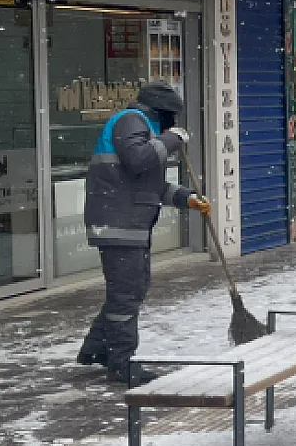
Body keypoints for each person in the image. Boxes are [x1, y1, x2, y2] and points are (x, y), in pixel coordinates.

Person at [75, 82, 209, 385]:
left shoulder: (143, 127)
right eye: (172, 116)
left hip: (128, 223)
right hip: (118, 224)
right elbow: (139, 161)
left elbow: (150, 185)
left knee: (129, 290)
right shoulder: (130, 121)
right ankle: (121, 363)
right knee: (127, 294)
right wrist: (171, 140)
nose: (174, 122)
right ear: (162, 112)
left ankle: (97, 348)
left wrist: (186, 198)